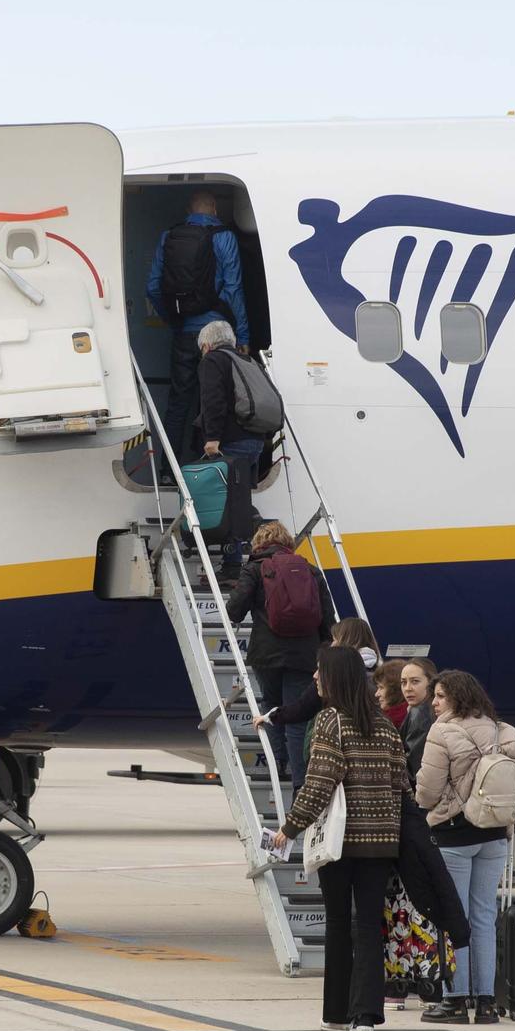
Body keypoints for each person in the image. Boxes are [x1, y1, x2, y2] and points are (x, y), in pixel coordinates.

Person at [270, 647, 407, 1031]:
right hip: (381, 843)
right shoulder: (383, 724)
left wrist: (289, 828)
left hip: (340, 843)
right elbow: (402, 783)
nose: (314, 678)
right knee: (368, 924)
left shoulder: (331, 721)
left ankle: (336, 1012)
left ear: (335, 678)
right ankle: (365, 1016)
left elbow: (320, 783)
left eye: (319, 672)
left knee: (338, 923)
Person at [415, 669, 515, 1026]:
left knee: (455, 917)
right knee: (484, 916)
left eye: (439, 696)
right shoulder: (505, 731)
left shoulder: (442, 731)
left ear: (455, 698)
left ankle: (454, 999)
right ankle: (485, 1002)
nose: (433, 703)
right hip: (495, 835)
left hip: (454, 835)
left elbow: (428, 791)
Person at [227, 521, 334, 795]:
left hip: (266, 653)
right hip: (305, 654)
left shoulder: (254, 568)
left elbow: (234, 610)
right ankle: (300, 783)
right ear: (288, 542)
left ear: (259, 543)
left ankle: (277, 763)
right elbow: (327, 619)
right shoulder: (309, 570)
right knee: (298, 716)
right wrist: (324, 654)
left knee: (272, 706)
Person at [148, 191, 250, 458]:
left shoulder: (169, 236)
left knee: (179, 402)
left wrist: (175, 320)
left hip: (185, 332)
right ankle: (209, 469)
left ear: (188, 210)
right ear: (215, 209)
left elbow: (153, 288)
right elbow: (233, 289)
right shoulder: (224, 237)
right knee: (216, 401)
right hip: (218, 336)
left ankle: (168, 469)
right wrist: (243, 335)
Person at [254, 618, 379, 802]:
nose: (332, 644)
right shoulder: (376, 672)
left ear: (347, 640)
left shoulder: (333, 676)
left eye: (336, 639)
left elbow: (302, 708)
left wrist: (270, 716)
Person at [194, 319, 264, 575]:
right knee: (236, 497)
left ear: (208, 344)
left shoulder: (213, 361)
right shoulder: (246, 360)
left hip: (230, 440)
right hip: (255, 439)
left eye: (202, 348)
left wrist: (211, 438)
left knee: (234, 503)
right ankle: (234, 563)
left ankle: (256, 529)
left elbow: (213, 401)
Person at [398, 657, 438, 779]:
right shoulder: (425, 709)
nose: (407, 688)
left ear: (431, 683)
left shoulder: (420, 713)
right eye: (403, 682)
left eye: (415, 681)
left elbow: (413, 768)